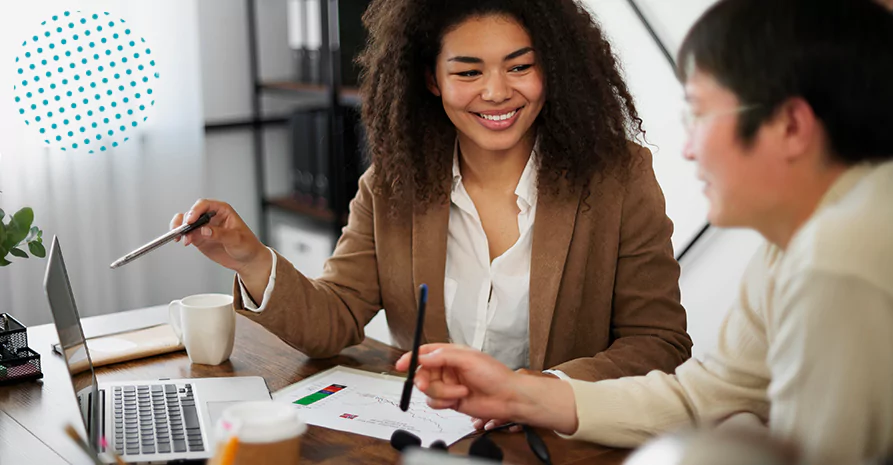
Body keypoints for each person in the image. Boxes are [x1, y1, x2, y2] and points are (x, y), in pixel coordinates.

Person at [396, 0, 893, 463]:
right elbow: (704, 396)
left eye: (699, 113)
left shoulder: (836, 258)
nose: (688, 148)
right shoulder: (797, 243)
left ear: (791, 125)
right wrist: (516, 393)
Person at [171, 0, 692, 383]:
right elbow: (337, 318)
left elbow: (658, 340)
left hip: (560, 442)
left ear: (551, 68)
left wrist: (537, 392)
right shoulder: (392, 187)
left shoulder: (618, 177)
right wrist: (251, 257)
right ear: (432, 79)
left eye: (520, 66)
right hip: (435, 437)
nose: (496, 91)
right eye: (468, 71)